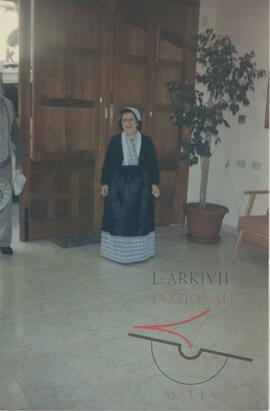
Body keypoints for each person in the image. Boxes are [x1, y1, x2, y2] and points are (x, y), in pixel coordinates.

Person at [100, 106, 160, 264]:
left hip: (141, 188)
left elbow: (153, 164)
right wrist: (104, 182)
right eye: (124, 120)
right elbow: (108, 164)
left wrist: (155, 184)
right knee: (119, 219)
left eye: (131, 120)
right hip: (119, 187)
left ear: (138, 122)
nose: (128, 123)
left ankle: (140, 253)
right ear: (121, 123)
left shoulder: (146, 142)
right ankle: (117, 253)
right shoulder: (115, 141)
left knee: (140, 219)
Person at [0, 95, 24, 255]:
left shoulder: (8, 104)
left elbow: (15, 133)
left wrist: (20, 160)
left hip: (5, 162)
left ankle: (3, 242)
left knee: (5, 204)